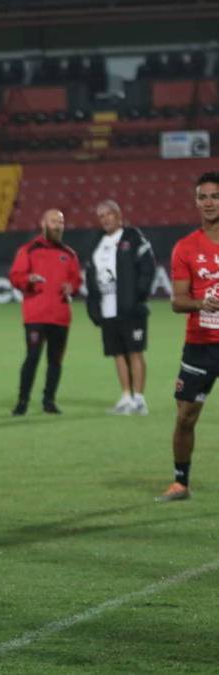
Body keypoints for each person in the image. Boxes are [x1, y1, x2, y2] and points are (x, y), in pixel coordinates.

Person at [158, 172, 219, 502]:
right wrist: (202, 303)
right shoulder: (186, 247)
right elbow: (177, 301)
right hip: (201, 346)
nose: (209, 202)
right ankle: (180, 482)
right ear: (197, 202)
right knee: (186, 417)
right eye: (203, 197)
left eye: (215, 196)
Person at [85, 200, 155, 415]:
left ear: (118, 215)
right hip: (108, 310)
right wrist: (93, 307)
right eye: (101, 216)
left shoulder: (133, 237)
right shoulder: (97, 243)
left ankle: (139, 400)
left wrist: (137, 297)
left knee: (135, 352)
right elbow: (91, 277)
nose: (105, 219)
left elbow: (147, 269)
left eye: (108, 214)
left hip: (130, 309)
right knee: (118, 354)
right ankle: (126, 397)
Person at [8, 209, 81, 416]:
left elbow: (77, 280)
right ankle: (22, 401)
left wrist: (72, 287)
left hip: (60, 317)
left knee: (55, 361)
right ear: (43, 224)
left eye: (61, 221)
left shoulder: (69, 253)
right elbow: (15, 276)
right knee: (32, 357)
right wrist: (27, 280)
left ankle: (49, 401)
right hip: (36, 316)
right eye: (54, 221)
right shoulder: (28, 250)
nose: (58, 225)